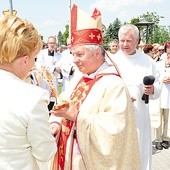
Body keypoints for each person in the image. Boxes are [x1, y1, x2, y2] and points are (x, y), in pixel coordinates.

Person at [49, 4, 141, 170]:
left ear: (97, 53)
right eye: (73, 54)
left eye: (80, 54)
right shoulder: (79, 77)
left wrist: (77, 116)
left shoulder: (113, 84)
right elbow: (63, 102)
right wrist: (55, 122)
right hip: (68, 154)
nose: (74, 60)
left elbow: (115, 131)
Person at [0, 15, 57, 169]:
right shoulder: (32, 97)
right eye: (35, 58)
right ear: (25, 60)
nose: (34, 64)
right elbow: (45, 153)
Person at [113, 24, 161, 170]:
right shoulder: (111, 61)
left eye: (129, 41)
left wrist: (152, 89)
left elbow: (157, 84)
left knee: (140, 149)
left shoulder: (148, 61)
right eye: (122, 41)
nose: (124, 44)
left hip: (140, 114)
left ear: (137, 40)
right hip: (117, 115)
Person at [36, 36, 62, 110]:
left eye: (53, 43)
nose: (52, 45)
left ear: (56, 44)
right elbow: (40, 66)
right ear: (47, 44)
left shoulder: (59, 56)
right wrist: (53, 67)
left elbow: (60, 69)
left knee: (52, 101)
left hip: (53, 81)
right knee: (42, 100)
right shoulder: (41, 54)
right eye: (50, 43)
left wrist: (50, 68)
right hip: (43, 81)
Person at [154, 51, 170, 150]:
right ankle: (158, 139)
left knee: (167, 119)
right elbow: (154, 78)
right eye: (168, 54)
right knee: (158, 118)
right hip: (159, 96)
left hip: (169, 97)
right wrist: (161, 80)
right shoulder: (157, 65)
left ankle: (166, 138)